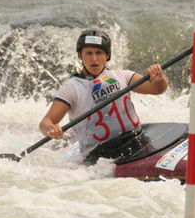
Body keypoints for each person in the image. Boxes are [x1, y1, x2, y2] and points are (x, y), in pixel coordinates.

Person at [39, 28, 168, 163]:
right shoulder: (72, 87)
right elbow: (46, 122)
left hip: (136, 140)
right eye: (88, 53)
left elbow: (157, 89)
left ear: (107, 55)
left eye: (99, 53)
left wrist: (159, 79)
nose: (94, 59)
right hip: (100, 155)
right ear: (80, 55)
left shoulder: (122, 75)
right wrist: (51, 128)